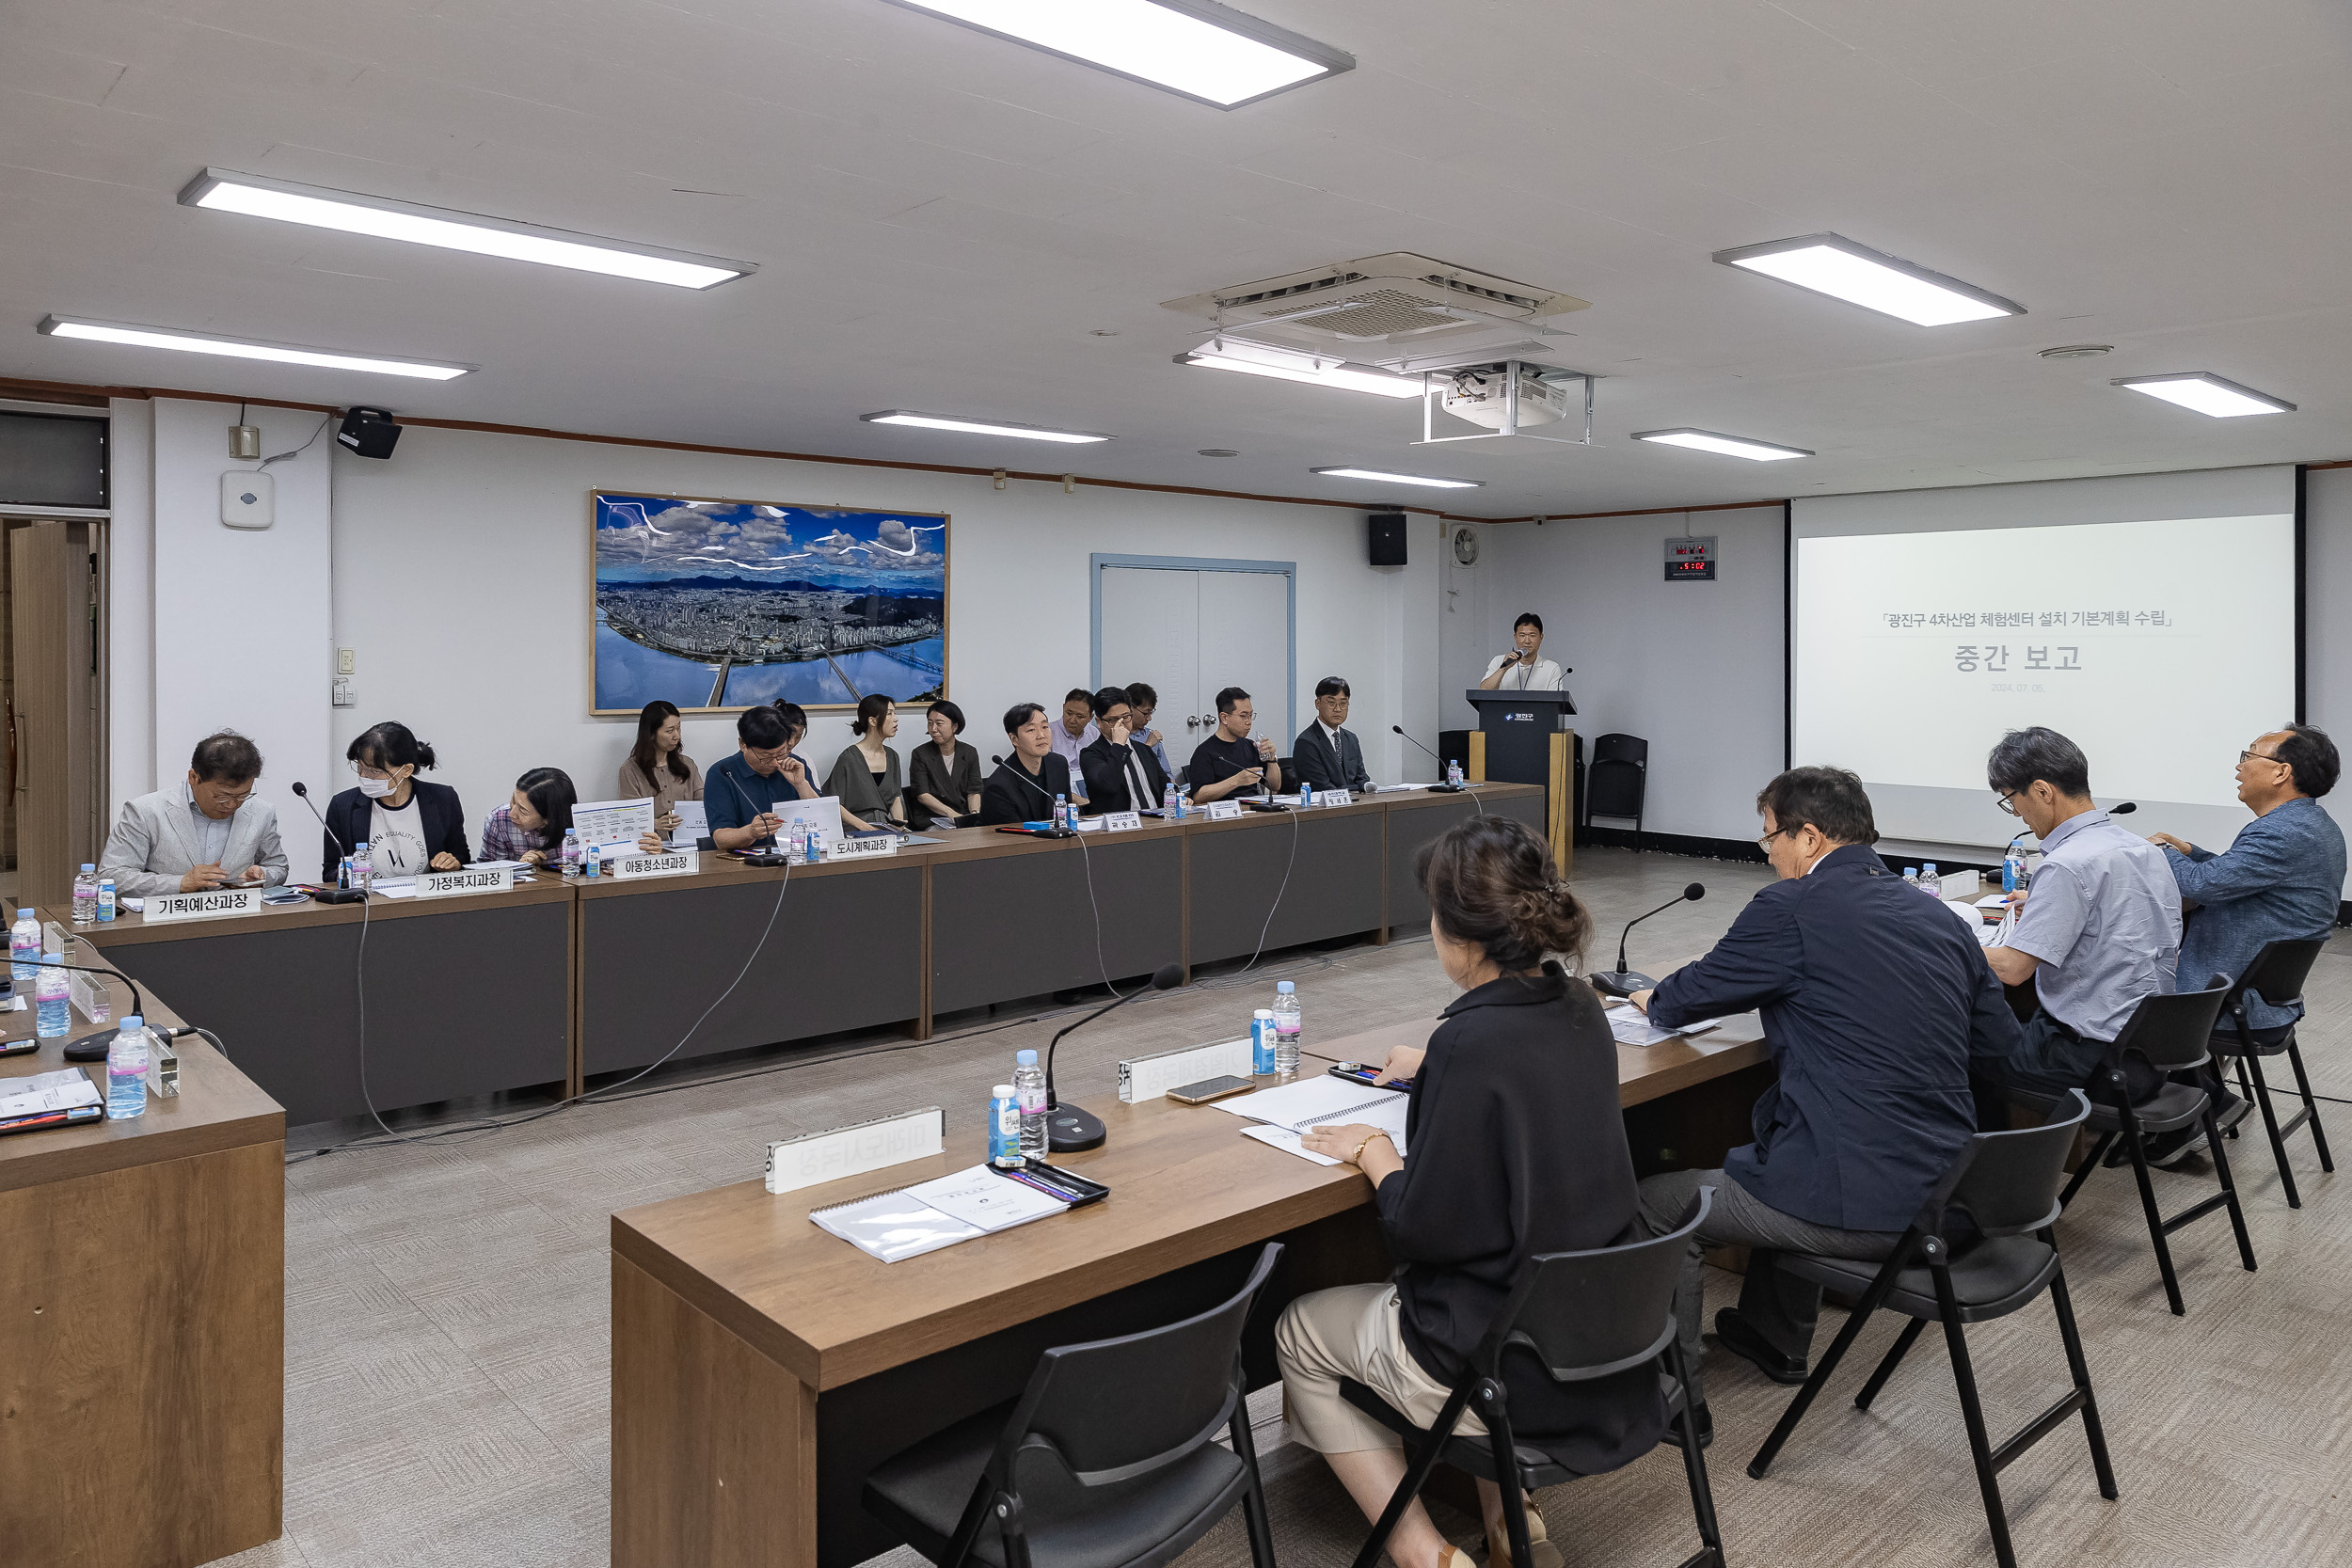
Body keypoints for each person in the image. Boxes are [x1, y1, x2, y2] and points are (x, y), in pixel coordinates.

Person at [1276, 815, 1662, 1568]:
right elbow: (1528, 1086)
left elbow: (1424, 1230)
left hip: (1504, 1361)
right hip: (1605, 1332)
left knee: (1298, 1330)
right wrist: (1440, 1069)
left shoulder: (1470, 1041)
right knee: (1506, 1275)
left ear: (1460, 934)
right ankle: (1516, 1521)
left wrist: (1376, 1151)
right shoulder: (1581, 1003)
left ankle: (1426, 1556)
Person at [1627, 767, 2022, 1424]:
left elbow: (1680, 1000)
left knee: (1660, 1202)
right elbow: (2001, 1049)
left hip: (1870, 1202)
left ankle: (1675, 1401)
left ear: (1808, 837)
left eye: (1769, 838)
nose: (1769, 853)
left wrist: (1642, 991)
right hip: (1953, 1189)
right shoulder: (1939, 916)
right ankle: (1773, 1336)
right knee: (1783, 1141)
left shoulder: (1791, 909)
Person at [2137, 724, 2347, 1162]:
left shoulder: (2280, 832)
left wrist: (2159, 850)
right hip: (2264, 993)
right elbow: (2239, 876)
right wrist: (2191, 850)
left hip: (2238, 1002)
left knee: (2117, 1009)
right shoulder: (2306, 825)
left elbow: (2207, 887)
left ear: (2280, 772)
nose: (2239, 765)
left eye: (2249, 755)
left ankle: (2203, 1105)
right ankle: (2201, 1105)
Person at [1976, 726, 2182, 1118]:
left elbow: (2014, 970)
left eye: (2012, 800)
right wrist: (2046, 905)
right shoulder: (2142, 849)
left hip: (2092, 1060)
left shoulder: (2066, 865)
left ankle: (1998, 1166)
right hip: (2149, 1047)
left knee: (1959, 1046)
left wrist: (1938, 937)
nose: (2017, 813)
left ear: (2041, 790)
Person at [99, 730, 290, 895]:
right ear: (193, 777)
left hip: (239, 923)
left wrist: (263, 876)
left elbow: (278, 867)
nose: (232, 805)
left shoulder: (261, 812)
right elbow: (112, 876)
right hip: (165, 924)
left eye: (243, 795)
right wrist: (180, 883)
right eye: (221, 796)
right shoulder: (145, 811)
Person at [323, 721, 469, 879]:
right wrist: (347, 875)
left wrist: (452, 864)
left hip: (426, 900)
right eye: (360, 766)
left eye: (374, 771)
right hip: (369, 900)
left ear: (406, 770)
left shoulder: (443, 799)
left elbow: (461, 857)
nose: (363, 776)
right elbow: (330, 871)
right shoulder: (343, 806)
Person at [482, 767, 663, 866]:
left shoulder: (586, 824)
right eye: (513, 800)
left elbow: (611, 867)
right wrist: (519, 867)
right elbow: (486, 873)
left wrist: (648, 853)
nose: (512, 812)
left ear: (550, 818)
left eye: (523, 811)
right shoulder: (499, 820)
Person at [706, 705, 812, 851]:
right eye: (765, 757)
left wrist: (801, 784)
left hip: (798, 856)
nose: (775, 762)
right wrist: (750, 832)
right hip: (745, 864)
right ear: (743, 744)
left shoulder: (795, 765)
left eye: (781, 752)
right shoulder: (722, 773)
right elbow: (721, 839)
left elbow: (822, 821)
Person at [977, 703, 1075, 825]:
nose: (1041, 735)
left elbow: (1066, 816)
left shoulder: (1058, 764)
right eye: (1031, 730)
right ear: (1014, 739)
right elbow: (1013, 836)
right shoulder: (998, 786)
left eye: (1045, 727)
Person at [1078, 686, 1168, 815]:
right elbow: (1108, 785)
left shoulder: (1144, 750)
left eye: (1126, 717)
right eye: (1113, 720)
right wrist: (1118, 746)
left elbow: (1165, 786)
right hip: (1120, 826)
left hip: (1155, 820)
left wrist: (1181, 798)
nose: (1121, 724)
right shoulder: (1091, 754)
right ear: (1098, 722)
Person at [823, 694, 907, 833]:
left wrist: (899, 824)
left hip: (885, 829)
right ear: (872, 721)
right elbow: (834, 803)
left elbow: (895, 798)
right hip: (855, 831)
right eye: (889, 714)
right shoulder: (849, 758)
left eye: (895, 713)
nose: (896, 719)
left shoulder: (892, 756)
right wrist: (863, 826)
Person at [616, 700, 703, 833]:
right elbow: (629, 817)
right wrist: (655, 823)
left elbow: (703, 802)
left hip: (687, 842)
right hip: (649, 844)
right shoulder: (630, 770)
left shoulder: (688, 764)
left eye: (678, 728)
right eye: (670, 731)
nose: (677, 736)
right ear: (651, 734)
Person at [1185, 687, 1280, 802]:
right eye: (1243, 716)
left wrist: (1271, 760)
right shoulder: (1205, 752)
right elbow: (1199, 797)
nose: (1248, 722)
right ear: (1224, 718)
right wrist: (1236, 781)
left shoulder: (1251, 746)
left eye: (1250, 715)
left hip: (1254, 809)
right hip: (1223, 813)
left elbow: (1274, 787)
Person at [907, 700, 983, 830]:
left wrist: (974, 814)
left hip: (962, 816)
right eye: (930, 724)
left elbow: (974, 791)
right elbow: (923, 795)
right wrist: (951, 814)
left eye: (939, 724)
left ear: (955, 726)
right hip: (932, 819)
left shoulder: (969, 752)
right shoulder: (920, 754)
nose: (933, 729)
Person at [1293, 675, 1373, 792]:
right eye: (1331, 702)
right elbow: (1322, 787)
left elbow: (1362, 779)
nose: (1338, 709)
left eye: (1343, 703)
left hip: (1354, 805)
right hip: (1324, 807)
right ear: (1318, 704)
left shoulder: (1351, 739)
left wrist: (1364, 787)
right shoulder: (1306, 742)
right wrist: (1360, 788)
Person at [1478, 612, 1566, 691]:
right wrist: (1503, 668)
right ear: (1515, 637)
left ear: (1541, 638)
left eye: (1532, 635)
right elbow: (1484, 691)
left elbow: (1555, 704)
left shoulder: (1551, 668)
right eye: (1522, 635)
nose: (1527, 641)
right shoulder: (1498, 661)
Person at [1049, 688, 1098, 799]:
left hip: (1089, 786)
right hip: (1060, 790)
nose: (1072, 720)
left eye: (1080, 716)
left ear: (1091, 717)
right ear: (1063, 707)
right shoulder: (1048, 733)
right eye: (1068, 713)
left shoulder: (1094, 733)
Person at [1123, 682, 1175, 783]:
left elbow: (1166, 772)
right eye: (1145, 713)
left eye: (1151, 713)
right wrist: (1147, 746)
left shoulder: (1151, 735)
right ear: (1129, 708)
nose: (1149, 718)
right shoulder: (1116, 736)